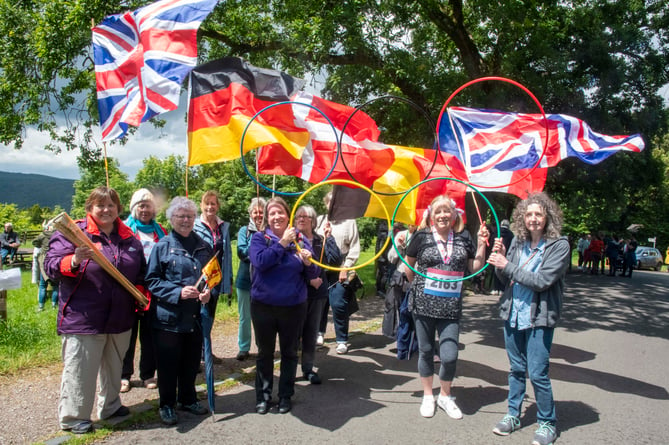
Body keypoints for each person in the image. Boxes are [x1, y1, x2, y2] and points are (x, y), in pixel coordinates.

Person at [44, 186, 147, 434]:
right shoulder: (73, 233)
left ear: (118, 209)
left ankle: (110, 406)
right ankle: (74, 417)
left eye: (111, 205)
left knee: (114, 367)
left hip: (120, 317)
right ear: (90, 207)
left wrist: (142, 295)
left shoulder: (129, 238)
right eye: (100, 205)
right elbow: (51, 266)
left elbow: (140, 273)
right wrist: (75, 260)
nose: (106, 209)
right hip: (84, 318)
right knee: (81, 369)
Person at [487, 192, 570, 445]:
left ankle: (547, 422)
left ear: (548, 218)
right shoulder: (518, 243)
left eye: (538, 214)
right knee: (516, 369)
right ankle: (513, 414)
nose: (533, 219)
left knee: (537, 372)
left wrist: (507, 265)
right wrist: (498, 262)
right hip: (513, 313)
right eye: (529, 214)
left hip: (539, 317)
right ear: (522, 218)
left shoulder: (560, 246)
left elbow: (543, 281)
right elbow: (505, 281)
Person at [405, 195, 490, 419]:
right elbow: (408, 266)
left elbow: (474, 266)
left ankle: (444, 395)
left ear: (454, 215)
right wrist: (419, 287)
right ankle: (427, 395)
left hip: (451, 307)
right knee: (425, 351)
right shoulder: (421, 236)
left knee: (450, 355)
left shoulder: (463, 238)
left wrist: (481, 244)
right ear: (431, 216)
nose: (443, 215)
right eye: (438, 212)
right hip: (423, 305)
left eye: (447, 211)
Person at [145, 197, 214, 425]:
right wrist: (177, 292)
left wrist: (207, 293)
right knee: (167, 365)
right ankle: (166, 404)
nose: (185, 220)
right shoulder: (162, 246)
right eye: (180, 216)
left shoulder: (204, 246)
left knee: (191, 362)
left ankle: (188, 398)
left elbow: (210, 278)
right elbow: (152, 281)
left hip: (194, 317)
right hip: (168, 319)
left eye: (189, 216)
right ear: (171, 219)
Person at [249, 197, 320, 414]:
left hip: (293, 306)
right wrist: (282, 244)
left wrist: (308, 262)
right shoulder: (259, 239)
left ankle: (285, 396)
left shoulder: (301, 240)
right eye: (272, 213)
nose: (276, 216)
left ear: (287, 215)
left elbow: (315, 274)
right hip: (263, 306)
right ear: (267, 218)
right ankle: (263, 396)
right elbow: (260, 262)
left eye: (280, 212)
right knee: (265, 353)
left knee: (289, 352)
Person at [120, 188, 167, 392]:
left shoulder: (161, 231)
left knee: (150, 335)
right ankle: (124, 375)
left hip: (153, 290)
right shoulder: (123, 230)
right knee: (127, 335)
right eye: (141, 205)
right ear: (134, 208)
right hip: (129, 288)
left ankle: (148, 373)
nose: (145, 209)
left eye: (148, 205)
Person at [295, 204, 341, 385]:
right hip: (296, 293)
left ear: (313, 221)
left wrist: (329, 239)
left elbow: (335, 261)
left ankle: (308, 368)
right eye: (298, 216)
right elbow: (288, 268)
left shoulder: (320, 240)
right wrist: (309, 281)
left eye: (305, 216)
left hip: (318, 294)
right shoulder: (292, 240)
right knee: (292, 334)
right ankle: (289, 371)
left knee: (310, 333)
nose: (300, 219)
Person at [316, 191, 361, 354]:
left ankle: (342, 339)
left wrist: (346, 267)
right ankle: (319, 333)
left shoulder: (350, 222)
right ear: (327, 204)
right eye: (330, 203)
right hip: (321, 268)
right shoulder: (319, 220)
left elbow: (355, 248)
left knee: (338, 304)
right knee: (320, 303)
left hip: (340, 268)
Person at [234, 197, 266, 361]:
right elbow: (242, 252)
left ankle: (263, 347)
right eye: (255, 212)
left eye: (261, 212)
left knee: (262, 317)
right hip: (245, 281)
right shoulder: (244, 231)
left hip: (265, 283)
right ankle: (244, 347)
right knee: (245, 317)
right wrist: (259, 247)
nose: (258, 215)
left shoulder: (270, 231)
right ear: (250, 213)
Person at [193, 191, 233, 311]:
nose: (210, 207)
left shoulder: (223, 227)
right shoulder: (193, 226)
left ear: (218, 206)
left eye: (213, 203)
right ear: (201, 206)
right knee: (197, 315)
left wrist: (229, 279)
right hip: (198, 278)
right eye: (207, 203)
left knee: (209, 315)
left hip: (215, 278)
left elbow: (228, 254)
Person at [383, 223, 416, 338]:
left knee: (412, 310)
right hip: (400, 276)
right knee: (398, 307)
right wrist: (399, 245)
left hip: (417, 277)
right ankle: (401, 338)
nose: (412, 224)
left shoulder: (425, 235)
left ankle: (415, 340)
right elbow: (391, 258)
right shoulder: (402, 234)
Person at [32, 224, 58, 310]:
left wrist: (41, 246)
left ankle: (41, 306)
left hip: (44, 259)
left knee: (43, 285)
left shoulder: (43, 235)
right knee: (55, 285)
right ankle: (54, 305)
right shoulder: (57, 234)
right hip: (54, 258)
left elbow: (34, 242)